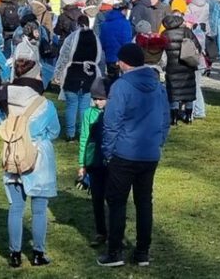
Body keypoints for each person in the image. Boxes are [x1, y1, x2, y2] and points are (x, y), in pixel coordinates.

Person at [97, 44, 170, 268]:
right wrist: (157, 142)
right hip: (149, 153)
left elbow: (111, 123)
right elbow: (166, 119)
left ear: (125, 62)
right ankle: (142, 252)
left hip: (124, 153)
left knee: (117, 203)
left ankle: (115, 251)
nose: (117, 64)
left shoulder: (121, 87)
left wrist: (108, 151)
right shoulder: (158, 87)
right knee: (144, 202)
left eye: (120, 61)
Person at [0, 58, 59, 268]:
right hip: (38, 159)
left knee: (16, 207)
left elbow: (0, 125)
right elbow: (54, 131)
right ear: (34, 77)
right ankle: (38, 253)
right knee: (39, 210)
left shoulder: (4, 100)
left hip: (13, 156)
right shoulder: (44, 104)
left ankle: (15, 254)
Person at [53, 14, 104, 140]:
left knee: (71, 105)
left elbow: (63, 56)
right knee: (85, 106)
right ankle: (83, 132)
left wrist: (57, 74)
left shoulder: (71, 38)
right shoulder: (94, 38)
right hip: (89, 75)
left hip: (72, 74)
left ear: (77, 24)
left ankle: (70, 134)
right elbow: (100, 57)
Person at [77, 79, 109, 249]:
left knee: (112, 198)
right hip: (94, 161)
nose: (97, 102)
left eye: (101, 98)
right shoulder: (88, 114)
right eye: (94, 98)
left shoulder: (112, 113)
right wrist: (82, 164)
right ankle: (100, 231)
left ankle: (113, 231)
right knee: (97, 198)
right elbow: (84, 138)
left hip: (110, 161)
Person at [162, 14, 205, 123]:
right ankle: (189, 116)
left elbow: (161, 52)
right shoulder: (186, 31)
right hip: (187, 64)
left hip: (172, 67)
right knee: (188, 92)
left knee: (174, 93)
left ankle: (174, 117)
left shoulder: (164, 34)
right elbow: (198, 47)